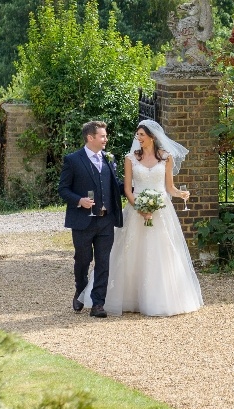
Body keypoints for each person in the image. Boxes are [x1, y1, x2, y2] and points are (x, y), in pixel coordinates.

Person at [82, 119, 203, 316]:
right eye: (137, 135)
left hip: (161, 210)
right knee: (129, 254)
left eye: (142, 135)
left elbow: (169, 187)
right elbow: (128, 189)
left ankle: (160, 299)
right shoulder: (131, 158)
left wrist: (181, 194)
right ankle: (128, 298)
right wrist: (139, 207)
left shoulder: (166, 158)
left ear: (152, 137)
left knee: (162, 252)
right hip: (135, 210)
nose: (138, 138)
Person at [59, 120, 123, 318]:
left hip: (106, 220)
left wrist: (137, 188)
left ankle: (98, 304)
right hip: (82, 221)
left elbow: (116, 186)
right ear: (90, 137)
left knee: (104, 262)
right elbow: (63, 189)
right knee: (83, 260)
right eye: (102, 136)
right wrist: (79, 200)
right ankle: (81, 290)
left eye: (105, 136)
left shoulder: (109, 159)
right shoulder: (73, 160)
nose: (106, 139)